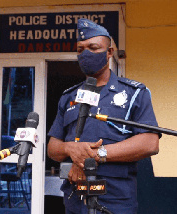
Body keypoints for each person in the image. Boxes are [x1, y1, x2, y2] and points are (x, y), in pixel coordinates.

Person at [47, 19, 160, 214]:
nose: (86, 53)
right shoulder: (69, 97)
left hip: (115, 201)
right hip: (75, 201)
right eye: (80, 49)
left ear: (109, 53)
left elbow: (150, 143)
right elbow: (53, 148)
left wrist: (96, 155)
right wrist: (70, 148)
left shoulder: (134, 93)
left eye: (93, 47)